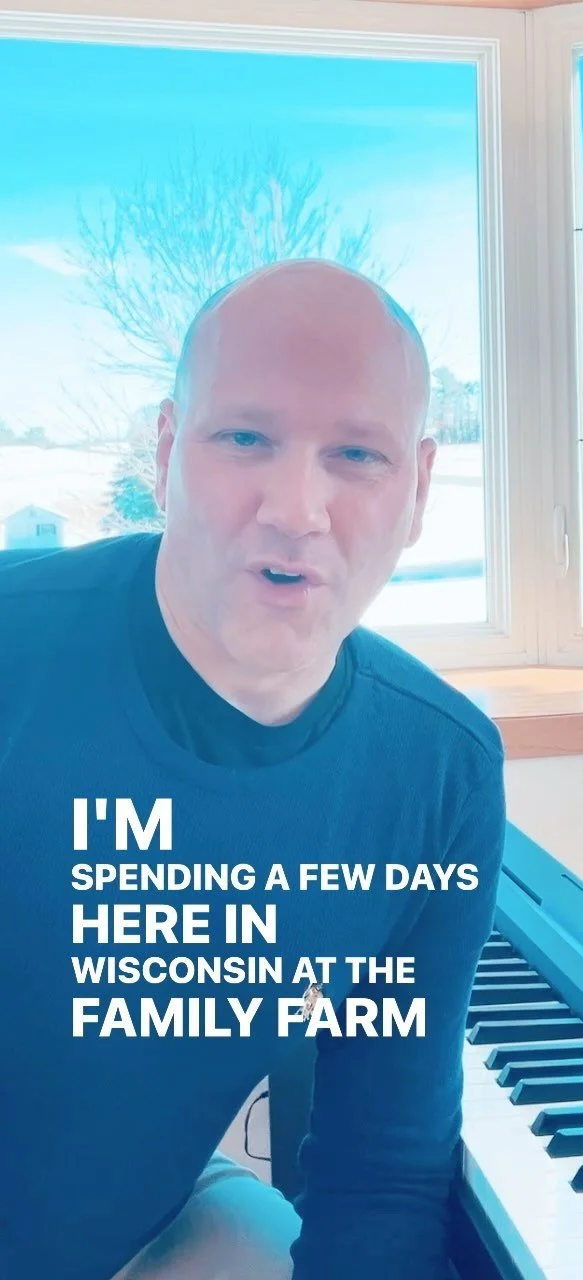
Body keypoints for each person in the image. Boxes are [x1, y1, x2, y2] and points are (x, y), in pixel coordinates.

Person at [0, 259, 506, 1280]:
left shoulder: (438, 769)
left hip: (150, 1221)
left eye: (356, 453)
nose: (296, 507)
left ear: (417, 489)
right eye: (245, 438)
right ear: (166, 451)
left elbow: (383, 1176)